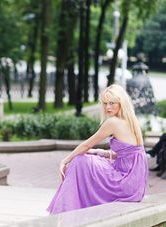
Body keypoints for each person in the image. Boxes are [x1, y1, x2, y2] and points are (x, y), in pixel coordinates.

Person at [47, 84, 148, 214]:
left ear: (121, 103)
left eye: (112, 103)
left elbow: (87, 144)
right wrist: (99, 152)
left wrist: (65, 161)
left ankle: (65, 210)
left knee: (80, 161)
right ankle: (69, 208)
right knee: (86, 159)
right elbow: (128, 155)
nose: (108, 107)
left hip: (124, 184)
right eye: (105, 103)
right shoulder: (132, 121)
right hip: (135, 187)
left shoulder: (113, 122)